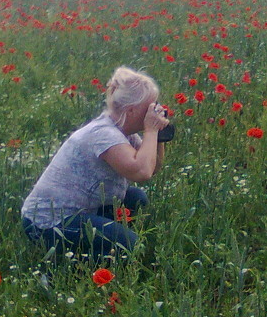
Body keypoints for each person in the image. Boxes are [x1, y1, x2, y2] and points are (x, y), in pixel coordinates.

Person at [22, 66, 170, 261]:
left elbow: (151, 168)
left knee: (136, 198)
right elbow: (140, 172)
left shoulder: (123, 131)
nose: (155, 110)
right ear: (132, 110)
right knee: (131, 247)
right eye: (151, 106)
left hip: (81, 210)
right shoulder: (103, 134)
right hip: (48, 222)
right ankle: (58, 266)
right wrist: (151, 131)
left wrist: (158, 136)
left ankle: (100, 244)